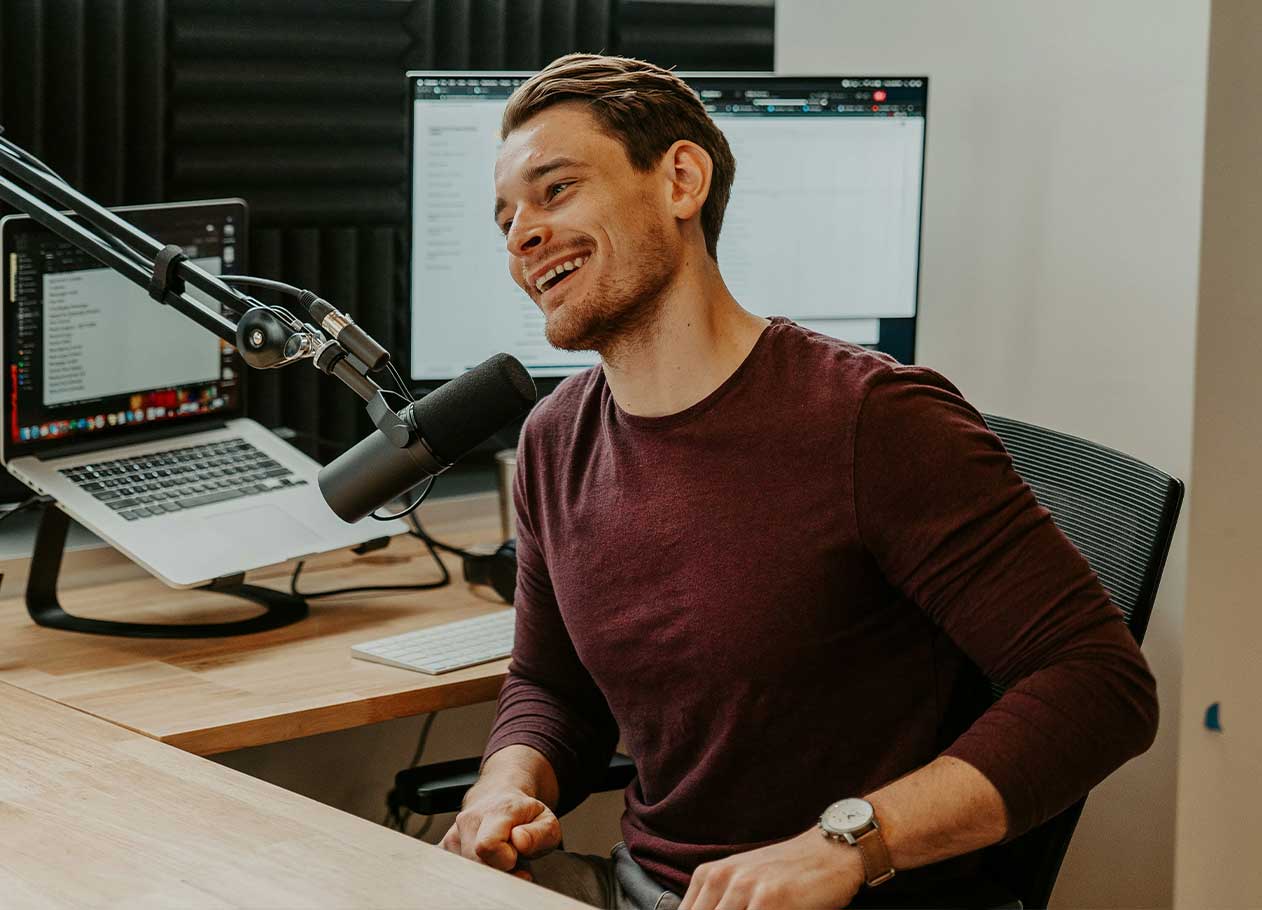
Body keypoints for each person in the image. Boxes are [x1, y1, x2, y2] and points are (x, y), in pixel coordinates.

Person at [440, 53, 1158, 910]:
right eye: (506, 219)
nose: (521, 236)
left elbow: (1100, 683)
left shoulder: (874, 420)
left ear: (680, 181)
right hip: (647, 888)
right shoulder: (556, 440)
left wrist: (846, 845)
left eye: (555, 191)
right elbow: (550, 686)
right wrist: (504, 785)